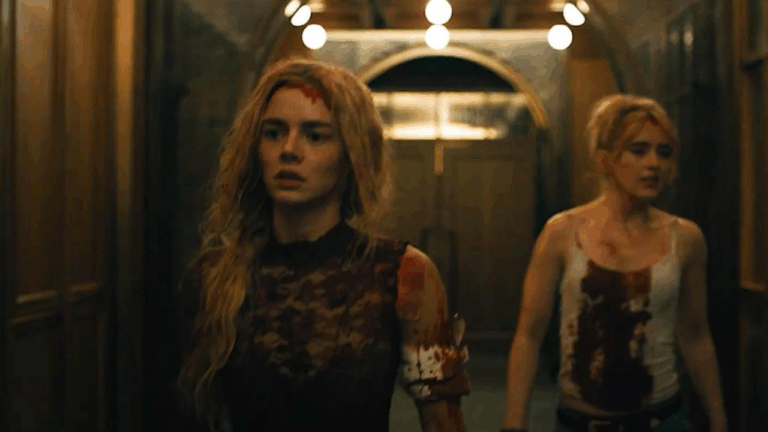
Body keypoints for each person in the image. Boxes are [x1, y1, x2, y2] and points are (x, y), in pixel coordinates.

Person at [175, 58, 470, 432]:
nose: (289, 150)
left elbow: (443, 423)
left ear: (351, 155)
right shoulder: (215, 274)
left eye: (315, 136)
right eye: (273, 133)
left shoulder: (402, 274)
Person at [501, 94, 728, 432]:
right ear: (605, 159)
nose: (654, 163)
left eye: (664, 152)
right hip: (581, 421)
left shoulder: (685, 238)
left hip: (661, 419)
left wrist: (719, 421)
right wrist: (514, 423)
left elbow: (695, 336)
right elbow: (529, 334)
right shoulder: (562, 232)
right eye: (639, 150)